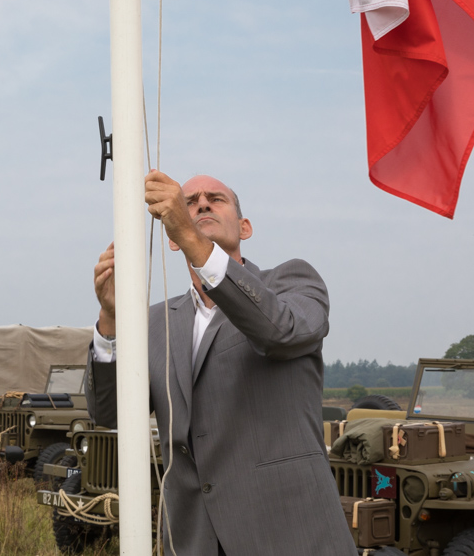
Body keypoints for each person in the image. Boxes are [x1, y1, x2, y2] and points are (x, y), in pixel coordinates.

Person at [86, 170, 356, 556]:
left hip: (291, 534)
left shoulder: (293, 282)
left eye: (216, 198)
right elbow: (110, 414)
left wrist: (194, 239)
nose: (201, 204)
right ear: (172, 241)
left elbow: (279, 331)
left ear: (244, 227)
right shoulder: (155, 322)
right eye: (190, 201)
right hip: (194, 539)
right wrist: (111, 320)